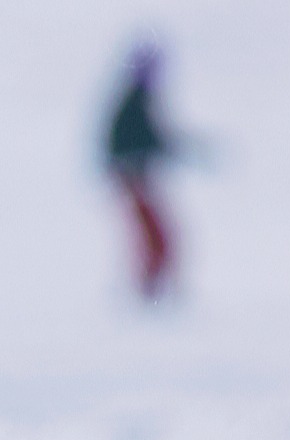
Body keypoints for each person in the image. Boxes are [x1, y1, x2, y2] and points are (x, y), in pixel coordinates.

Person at [104, 41, 181, 301]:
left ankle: (153, 287)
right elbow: (137, 140)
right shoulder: (133, 103)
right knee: (155, 236)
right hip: (133, 178)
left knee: (155, 235)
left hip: (135, 178)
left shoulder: (136, 101)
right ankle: (149, 290)